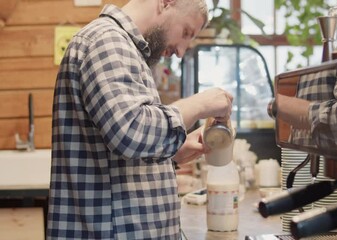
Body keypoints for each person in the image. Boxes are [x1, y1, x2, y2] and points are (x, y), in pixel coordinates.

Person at [47, 0, 233, 239]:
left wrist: (173, 154)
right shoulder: (106, 42)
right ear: (166, 3)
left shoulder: (127, 50)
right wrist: (199, 105)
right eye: (186, 32)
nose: (181, 51)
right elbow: (130, 130)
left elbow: (118, 150)